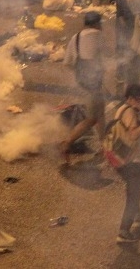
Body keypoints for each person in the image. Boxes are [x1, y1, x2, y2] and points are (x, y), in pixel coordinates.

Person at [60, 11, 106, 165]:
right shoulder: (98, 35)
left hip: (83, 84)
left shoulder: (76, 38)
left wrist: (79, 73)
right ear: (96, 23)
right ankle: (67, 143)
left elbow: (67, 62)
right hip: (94, 85)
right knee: (92, 118)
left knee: (100, 113)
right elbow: (104, 59)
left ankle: (105, 146)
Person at [112, 84, 140, 243]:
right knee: (133, 195)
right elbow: (133, 135)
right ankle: (123, 231)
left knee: (133, 188)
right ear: (130, 99)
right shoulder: (129, 113)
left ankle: (138, 213)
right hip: (129, 161)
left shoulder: (123, 109)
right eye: (138, 99)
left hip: (118, 157)